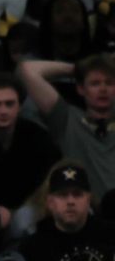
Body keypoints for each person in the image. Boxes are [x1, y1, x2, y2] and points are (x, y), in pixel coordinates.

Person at [0, 73, 60, 239]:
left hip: (31, 209)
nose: (3, 111)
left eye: (9, 104)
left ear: (19, 106)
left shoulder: (38, 137)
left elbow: (51, 178)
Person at [19, 54, 115, 198]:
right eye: (95, 83)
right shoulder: (66, 118)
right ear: (81, 88)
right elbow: (28, 69)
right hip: (83, 208)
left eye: (109, 83)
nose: (103, 89)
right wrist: (79, 69)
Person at [20, 162, 115, 261]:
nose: (70, 201)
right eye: (63, 195)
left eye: (77, 194)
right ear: (50, 202)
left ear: (88, 199)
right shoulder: (32, 247)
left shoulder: (110, 234)